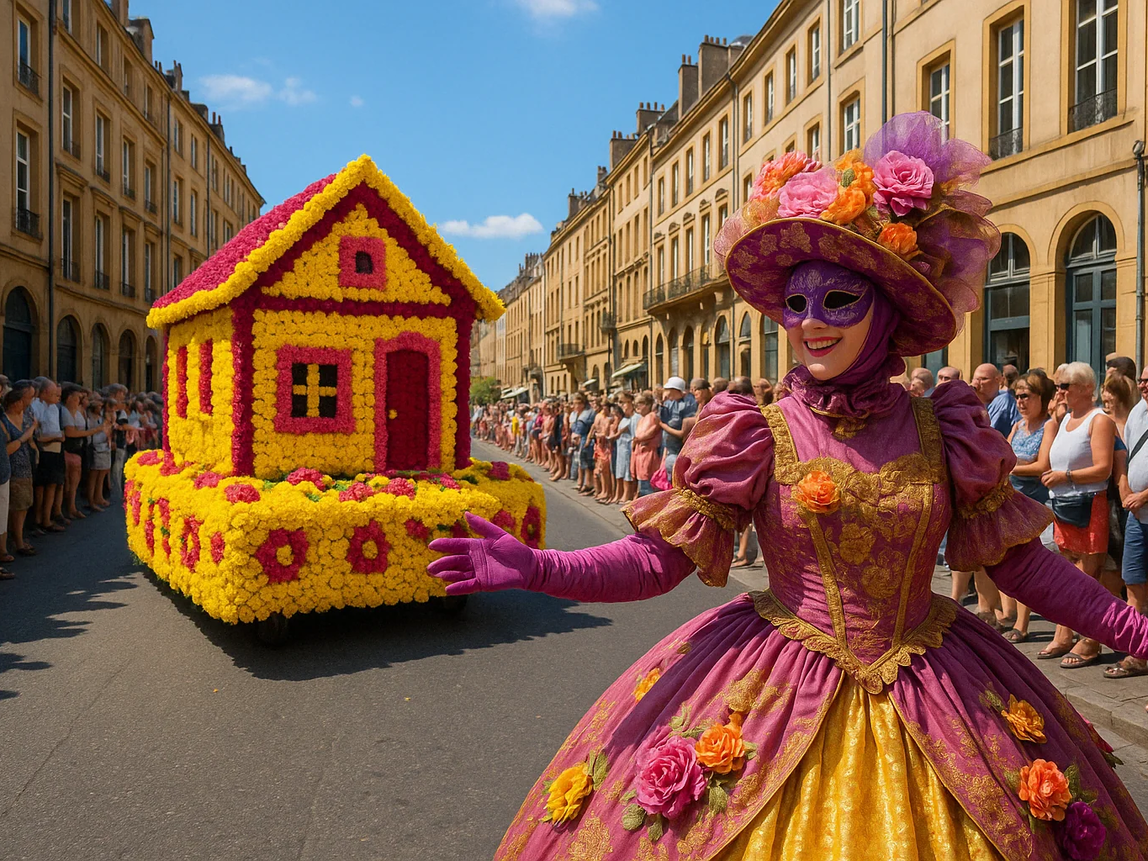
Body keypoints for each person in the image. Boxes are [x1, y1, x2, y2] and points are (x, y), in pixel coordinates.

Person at [430, 114, 1148, 858]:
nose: (810, 322)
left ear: (889, 309)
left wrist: (1138, 630)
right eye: (795, 305)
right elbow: (657, 561)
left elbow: (1022, 565)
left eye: (838, 301)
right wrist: (540, 568)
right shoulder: (753, 430)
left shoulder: (949, 428)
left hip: (938, 681)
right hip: (775, 684)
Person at [1040, 361, 1118, 668]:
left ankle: (1090, 641)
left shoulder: (1099, 420)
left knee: (1088, 577)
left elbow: (1103, 468)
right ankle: (1063, 634)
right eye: (1058, 386)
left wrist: (1066, 476)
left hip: (1088, 504)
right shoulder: (1066, 418)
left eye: (1065, 386)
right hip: (1062, 505)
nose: (1059, 392)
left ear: (1086, 388)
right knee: (1065, 575)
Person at [1000, 371, 1058, 644]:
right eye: (1017, 396)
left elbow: (1043, 465)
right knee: (1009, 561)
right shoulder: (1017, 426)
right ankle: (1011, 615)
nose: (1020, 401)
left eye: (1026, 396)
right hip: (1011, 501)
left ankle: (1023, 624)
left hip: (1035, 502)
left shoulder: (1049, 426)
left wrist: (1012, 467)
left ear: (1041, 398)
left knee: (1029, 564)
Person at [3, 382, 37, 557]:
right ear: (15, 403)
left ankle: (19, 537)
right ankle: (17, 542)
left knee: (24, 504)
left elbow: (29, 438)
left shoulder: (24, 417)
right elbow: (9, 447)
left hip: (26, 466)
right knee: (15, 506)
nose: (26, 404)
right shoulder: (5, 421)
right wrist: (25, 437)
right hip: (13, 468)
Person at [657, 376, 695, 483]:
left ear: (675, 390)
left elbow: (684, 431)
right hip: (670, 447)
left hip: (680, 449)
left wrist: (662, 425)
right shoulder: (671, 402)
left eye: (669, 390)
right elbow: (663, 419)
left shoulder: (688, 403)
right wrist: (662, 404)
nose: (667, 392)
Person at [630, 393, 661, 498]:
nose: (637, 406)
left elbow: (644, 434)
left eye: (640, 403)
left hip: (648, 454)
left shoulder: (652, 416)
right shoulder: (641, 418)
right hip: (640, 454)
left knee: (647, 487)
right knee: (642, 484)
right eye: (635, 404)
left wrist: (637, 439)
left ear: (647, 404)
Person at [610, 394, 637, 504]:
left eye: (624, 402)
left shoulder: (634, 418)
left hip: (627, 447)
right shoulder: (624, 418)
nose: (622, 405)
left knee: (627, 471)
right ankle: (618, 493)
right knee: (619, 470)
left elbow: (634, 435)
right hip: (620, 446)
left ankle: (627, 494)